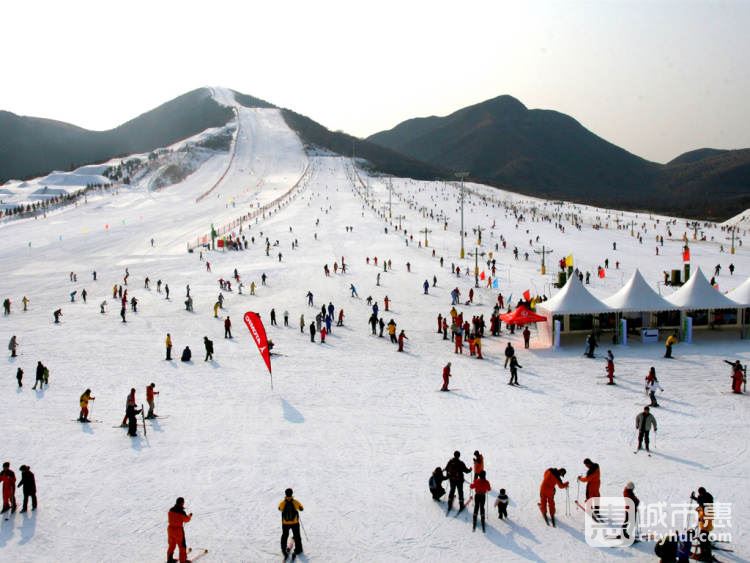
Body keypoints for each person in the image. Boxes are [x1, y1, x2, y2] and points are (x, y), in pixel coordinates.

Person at [279, 488, 304, 557]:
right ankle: (298, 549)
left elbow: (280, 508)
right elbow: (301, 508)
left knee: (284, 535)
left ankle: (283, 549)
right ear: (292, 493)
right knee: (297, 536)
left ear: (285, 494)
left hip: (285, 523)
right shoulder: (295, 502)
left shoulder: (283, 503)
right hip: (294, 523)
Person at [167, 497, 192, 563]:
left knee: (171, 545)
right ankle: (183, 561)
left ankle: (169, 559)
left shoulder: (171, 509)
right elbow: (186, 520)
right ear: (182, 503)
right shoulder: (181, 512)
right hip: (178, 531)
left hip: (170, 529)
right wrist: (189, 516)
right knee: (182, 546)